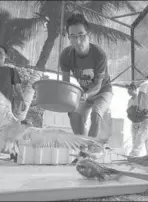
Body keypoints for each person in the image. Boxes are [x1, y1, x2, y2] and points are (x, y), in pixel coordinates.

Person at [59, 13, 113, 148]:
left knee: (96, 115)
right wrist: (67, 102)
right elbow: (66, 83)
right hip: (84, 93)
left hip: (102, 91)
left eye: (81, 35)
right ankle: (82, 149)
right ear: (69, 37)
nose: (78, 40)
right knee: (73, 114)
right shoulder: (65, 55)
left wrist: (86, 94)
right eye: (73, 36)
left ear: (88, 34)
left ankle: (91, 149)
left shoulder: (99, 55)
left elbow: (98, 85)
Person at [129, 75, 148, 157]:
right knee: (143, 134)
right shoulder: (146, 85)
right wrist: (139, 107)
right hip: (146, 113)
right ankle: (134, 154)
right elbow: (140, 94)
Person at [126, 83, 140, 153]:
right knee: (134, 139)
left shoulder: (140, 98)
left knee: (142, 139)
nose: (128, 92)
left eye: (130, 90)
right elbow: (129, 112)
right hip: (134, 122)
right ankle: (134, 154)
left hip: (141, 122)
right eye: (128, 90)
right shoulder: (129, 101)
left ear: (135, 89)